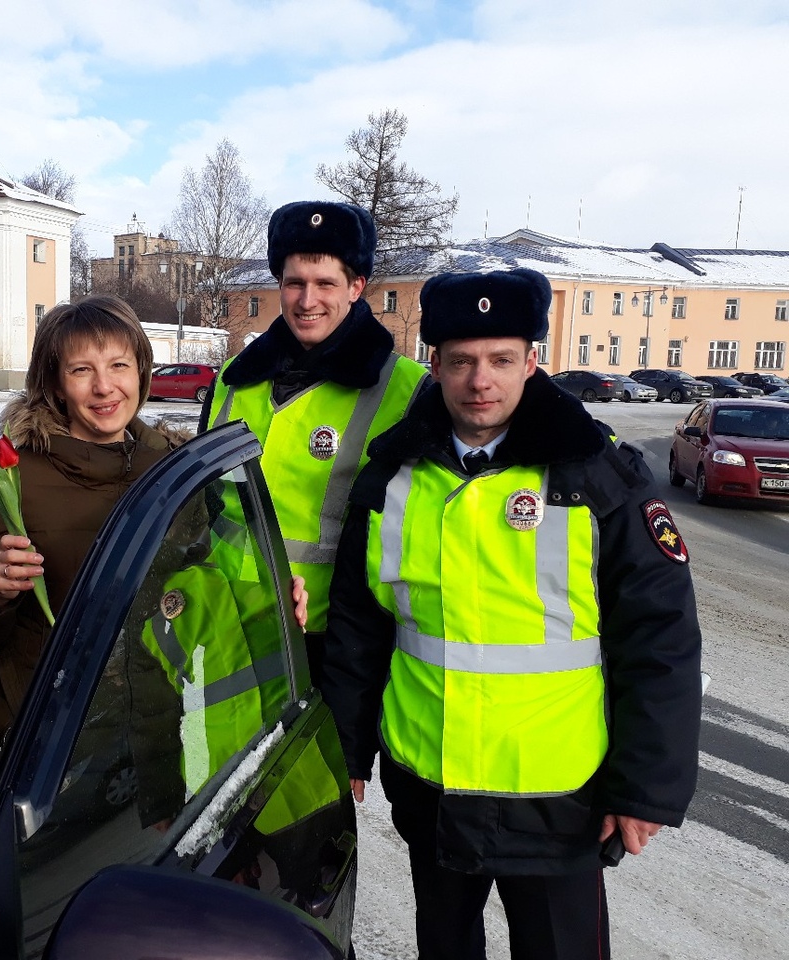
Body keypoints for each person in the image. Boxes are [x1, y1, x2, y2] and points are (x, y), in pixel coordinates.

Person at [321, 268, 703, 960]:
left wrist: (646, 786)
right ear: (433, 364)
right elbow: (359, 625)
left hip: (558, 797)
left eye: (501, 359)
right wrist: (347, 748)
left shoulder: (596, 477)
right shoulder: (392, 476)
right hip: (431, 783)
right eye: (461, 362)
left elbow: (659, 638)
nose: (480, 381)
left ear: (532, 360)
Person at [0, 295, 186, 809]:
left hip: (143, 735)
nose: (104, 386)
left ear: (140, 371)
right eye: (82, 370)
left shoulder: (170, 469)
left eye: (119, 365)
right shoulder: (11, 479)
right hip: (34, 738)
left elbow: (196, 582)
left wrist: (266, 594)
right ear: (55, 383)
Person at [201, 200, 429, 669]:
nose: (308, 301)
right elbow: (203, 510)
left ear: (356, 287)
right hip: (226, 626)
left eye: (325, 283)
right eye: (295, 284)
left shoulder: (407, 390)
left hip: (336, 645)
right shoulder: (230, 380)